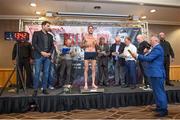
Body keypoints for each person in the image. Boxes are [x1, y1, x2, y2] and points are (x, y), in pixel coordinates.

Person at [132, 36, 168, 117]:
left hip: (157, 74)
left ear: (156, 41)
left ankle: (163, 110)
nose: (150, 42)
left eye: (151, 40)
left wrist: (137, 56)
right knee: (156, 92)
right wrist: (144, 53)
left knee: (159, 92)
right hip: (154, 73)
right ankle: (159, 107)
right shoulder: (154, 49)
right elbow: (148, 57)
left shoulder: (157, 48)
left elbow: (149, 59)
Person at [32, 21, 54, 96]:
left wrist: (50, 53)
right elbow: (34, 44)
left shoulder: (50, 36)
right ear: (43, 26)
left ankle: (44, 89)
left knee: (46, 73)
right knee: (37, 73)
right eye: (48, 26)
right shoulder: (36, 33)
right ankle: (35, 90)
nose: (49, 27)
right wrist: (41, 52)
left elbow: (52, 46)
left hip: (47, 57)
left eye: (49, 26)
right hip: (39, 56)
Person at [81, 25, 98, 90]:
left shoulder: (95, 37)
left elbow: (97, 46)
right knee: (86, 69)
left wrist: (96, 44)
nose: (91, 30)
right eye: (89, 29)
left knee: (93, 69)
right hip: (87, 52)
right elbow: (81, 46)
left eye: (92, 29)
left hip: (93, 52)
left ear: (93, 30)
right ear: (88, 30)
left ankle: (93, 83)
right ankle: (86, 83)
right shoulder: (85, 37)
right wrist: (86, 44)